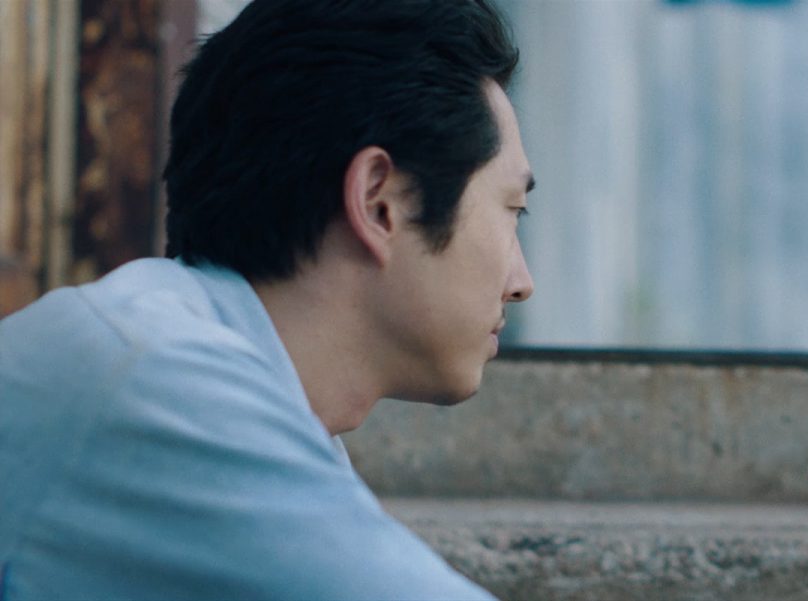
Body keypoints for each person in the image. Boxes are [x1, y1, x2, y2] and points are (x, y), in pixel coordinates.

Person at [0, 0, 532, 598]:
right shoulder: (158, 380)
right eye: (513, 209)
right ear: (381, 202)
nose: (522, 281)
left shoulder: (240, 390)